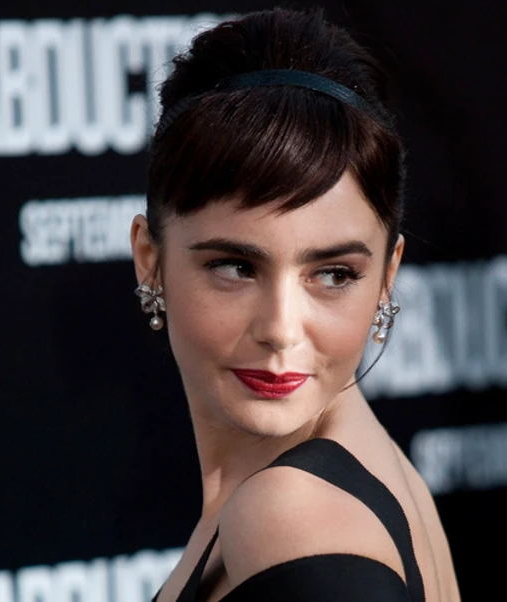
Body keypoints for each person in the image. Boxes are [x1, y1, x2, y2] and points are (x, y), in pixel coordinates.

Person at [130, 7, 461, 602]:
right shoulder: (366, 458)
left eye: (333, 274)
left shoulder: (290, 517)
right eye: (236, 267)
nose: (281, 330)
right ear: (149, 259)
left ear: (387, 277)